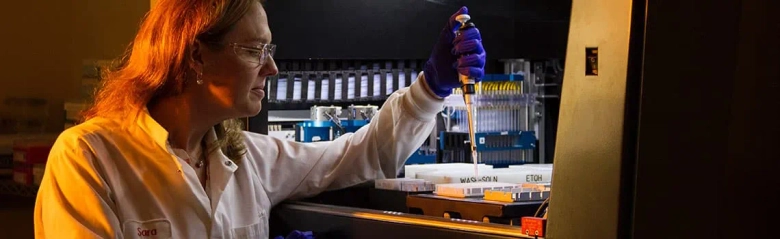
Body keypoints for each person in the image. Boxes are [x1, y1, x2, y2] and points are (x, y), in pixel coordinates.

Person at [33, 0, 485, 238]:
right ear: (194, 56)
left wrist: (431, 88)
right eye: (254, 51)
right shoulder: (89, 158)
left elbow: (357, 154)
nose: (271, 69)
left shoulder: (246, 157)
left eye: (270, 50)